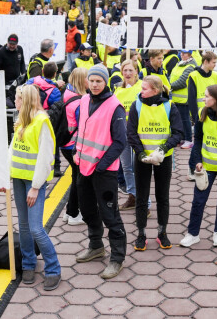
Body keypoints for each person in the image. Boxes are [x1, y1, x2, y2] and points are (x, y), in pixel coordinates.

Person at [73, 64, 127, 280]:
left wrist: (102, 165)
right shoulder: (85, 99)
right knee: (86, 209)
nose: (94, 85)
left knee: (110, 214)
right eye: (92, 80)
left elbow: (120, 141)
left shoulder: (116, 107)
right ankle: (96, 246)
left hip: (104, 171)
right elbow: (83, 130)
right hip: (83, 167)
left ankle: (117, 258)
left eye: (99, 81)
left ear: (105, 82)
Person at [7, 85, 61, 290]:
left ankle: (54, 268)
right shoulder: (22, 119)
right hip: (19, 179)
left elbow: (45, 157)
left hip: (33, 183)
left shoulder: (42, 121)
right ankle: (28, 263)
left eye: (17, 99)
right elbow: (12, 149)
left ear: (26, 100)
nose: (15, 102)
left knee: (36, 228)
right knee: (23, 226)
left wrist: (36, 187)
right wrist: (5, 176)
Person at [128, 76, 183, 251]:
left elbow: (178, 132)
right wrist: (141, 152)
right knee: (142, 197)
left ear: (156, 90)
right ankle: (141, 234)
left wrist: (163, 149)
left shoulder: (169, 106)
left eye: (145, 88)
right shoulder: (137, 106)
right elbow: (131, 133)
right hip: (142, 158)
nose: (141, 91)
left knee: (163, 196)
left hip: (163, 157)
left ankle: (162, 233)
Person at [181, 84, 217, 248]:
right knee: (198, 200)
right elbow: (198, 140)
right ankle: (193, 233)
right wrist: (197, 161)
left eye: (207, 96)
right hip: (206, 166)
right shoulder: (202, 113)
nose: (204, 99)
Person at [113, 60, 143, 210]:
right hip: (121, 132)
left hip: (137, 133)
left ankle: (144, 200)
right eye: (125, 70)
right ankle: (132, 195)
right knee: (126, 167)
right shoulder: (118, 89)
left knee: (137, 167)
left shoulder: (141, 87)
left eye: (131, 70)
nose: (128, 73)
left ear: (137, 71)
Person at [61, 67, 88, 225]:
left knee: (75, 177)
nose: (90, 81)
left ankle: (69, 211)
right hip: (74, 145)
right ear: (81, 80)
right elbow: (83, 125)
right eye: (88, 78)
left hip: (65, 143)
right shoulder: (80, 101)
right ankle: (73, 214)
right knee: (79, 180)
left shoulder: (67, 93)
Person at [186, 51, 217, 176]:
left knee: (207, 141)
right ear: (205, 62)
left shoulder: (215, 75)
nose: (215, 65)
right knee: (198, 143)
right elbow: (191, 98)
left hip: (213, 115)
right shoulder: (193, 75)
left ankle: (203, 166)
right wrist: (196, 117)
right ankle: (191, 168)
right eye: (213, 63)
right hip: (200, 114)